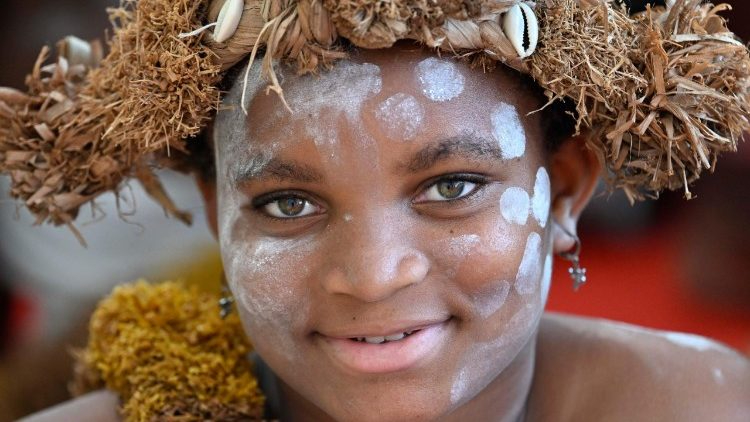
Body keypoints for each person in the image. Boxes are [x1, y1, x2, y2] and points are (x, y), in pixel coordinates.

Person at [6, 0, 750, 420]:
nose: (372, 276)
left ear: (563, 190)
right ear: (217, 211)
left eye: (451, 188)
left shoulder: (701, 406)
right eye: (289, 203)